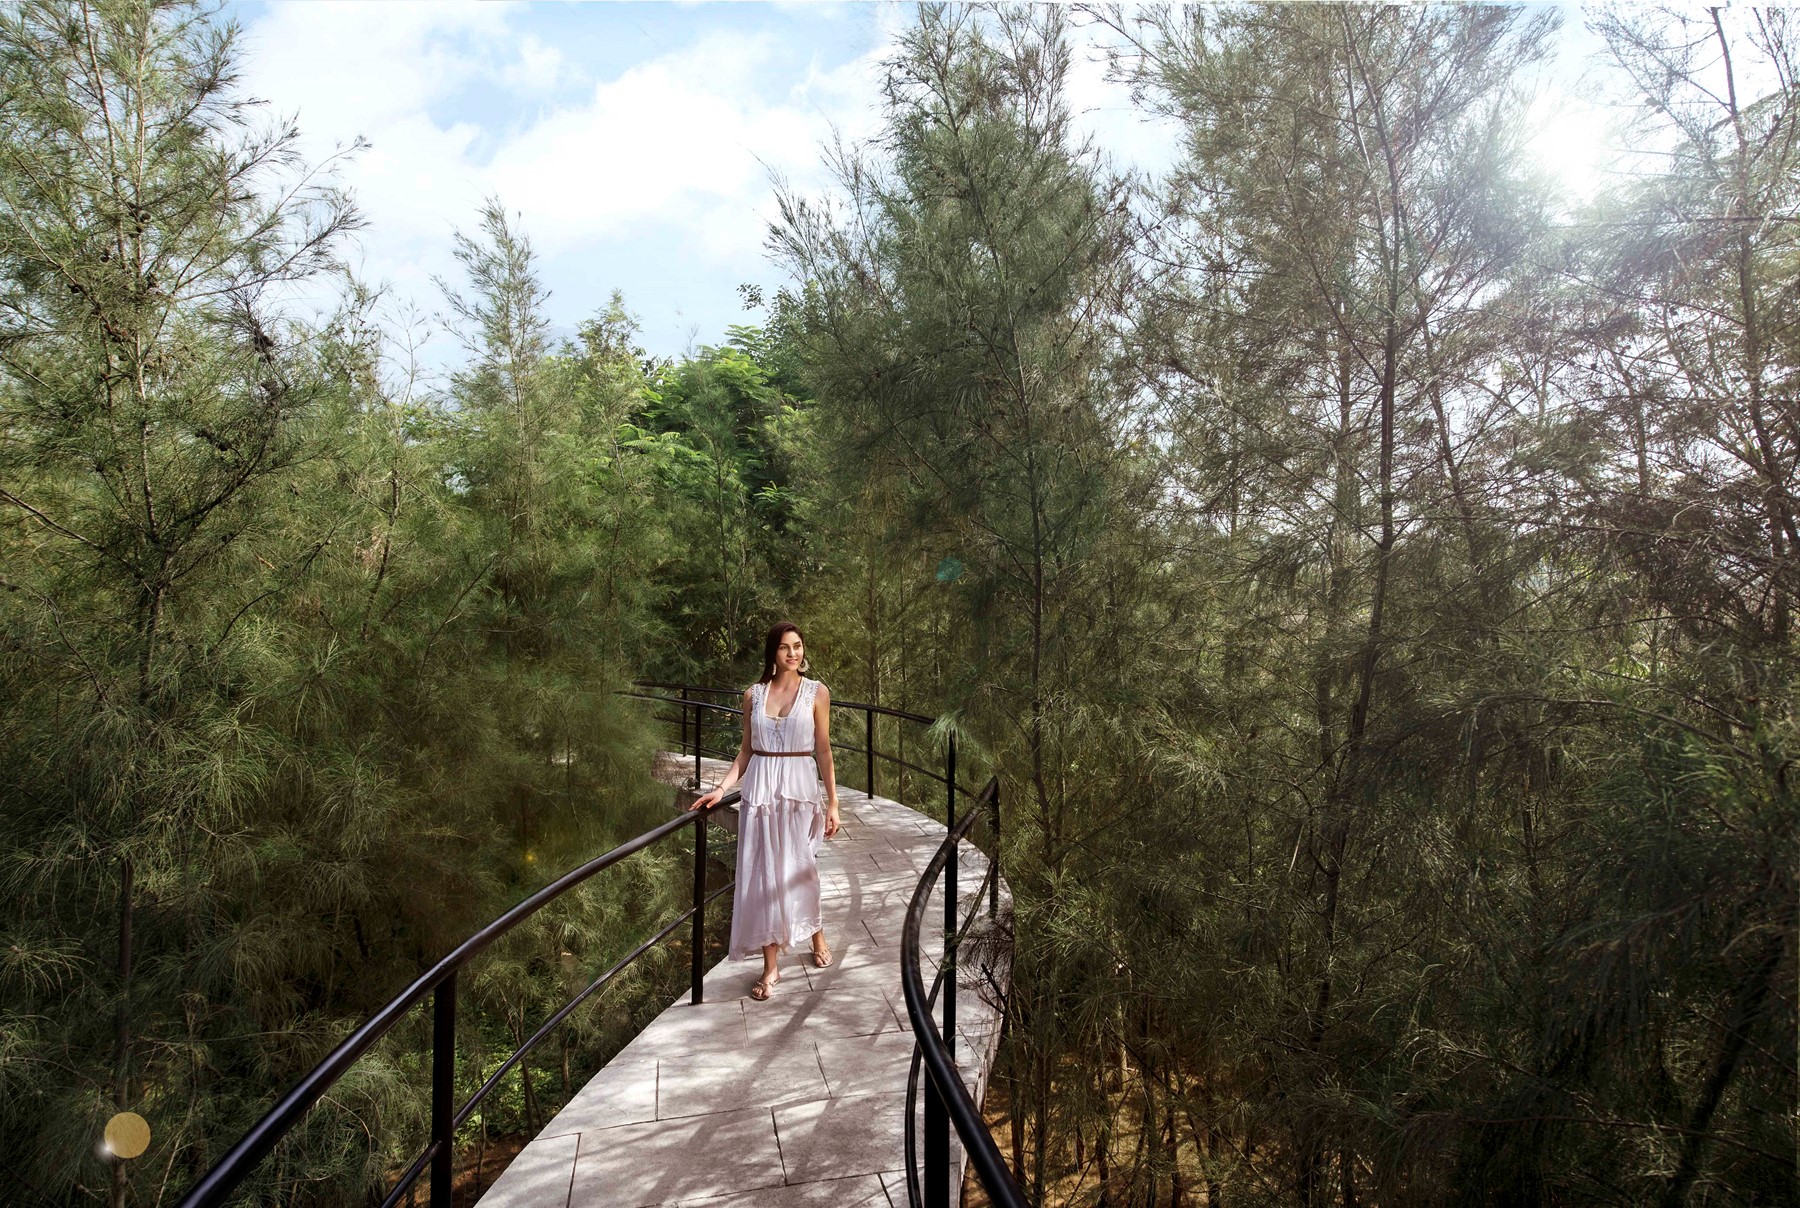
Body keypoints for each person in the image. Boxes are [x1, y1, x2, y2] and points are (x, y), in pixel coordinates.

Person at [687, 622, 841, 1000]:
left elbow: (823, 750)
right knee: (764, 875)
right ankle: (771, 965)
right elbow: (746, 750)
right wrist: (721, 789)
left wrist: (834, 802)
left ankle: (815, 932)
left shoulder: (817, 692)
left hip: (799, 790)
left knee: (801, 868)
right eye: (785, 647)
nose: (793, 653)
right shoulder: (753, 695)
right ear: (773, 652)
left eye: (798, 646)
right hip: (760, 791)